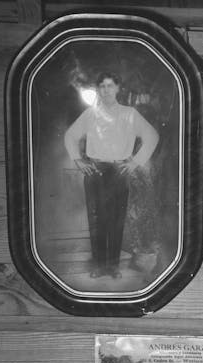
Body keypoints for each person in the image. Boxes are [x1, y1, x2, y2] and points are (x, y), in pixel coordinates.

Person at [64, 71, 159, 279]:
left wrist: (135, 162)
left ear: (117, 89)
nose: (106, 90)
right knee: (97, 220)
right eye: (103, 86)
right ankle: (98, 266)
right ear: (98, 89)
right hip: (96, 170)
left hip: (119, 171)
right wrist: (78, 160)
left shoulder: (130, 114)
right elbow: (70, 135)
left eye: (110, 86)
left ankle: (113, 267)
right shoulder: (91, 114)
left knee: (116, 220)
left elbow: (152, 135)